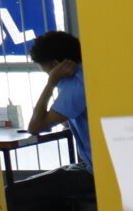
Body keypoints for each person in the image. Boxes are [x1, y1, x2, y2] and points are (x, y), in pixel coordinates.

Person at [26, 28, 90, 156]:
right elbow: (64, 120)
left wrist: (51, 82)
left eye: (47, 71)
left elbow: (35, 126)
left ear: (56, 65)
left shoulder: (75, 85)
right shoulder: (85, 74)